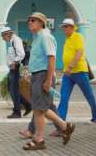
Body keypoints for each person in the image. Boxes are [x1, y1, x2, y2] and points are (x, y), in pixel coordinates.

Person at [23, 12, 75, 151]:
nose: (29, 22)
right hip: (37, 75)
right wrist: (30, 73)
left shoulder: (46, 37)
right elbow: (38, 59)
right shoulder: (37, 37)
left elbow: (52, 59)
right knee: (41, 108)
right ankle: (65, 126)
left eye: (32, 20)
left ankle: (39, 139)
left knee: (39, 110)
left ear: (41, 22)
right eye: (29, 20)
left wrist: (47, 80)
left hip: (43, 75)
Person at [57, 18, 96, 123]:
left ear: (72, 28)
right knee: (63, 96)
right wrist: (67, 69)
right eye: (63, 27)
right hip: (68, 74)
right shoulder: (67, 39)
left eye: (66, 27)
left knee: (88, 94)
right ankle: (60, 119)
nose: (64, 29)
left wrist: (70, 66)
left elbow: (79, 53)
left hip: (79, 71)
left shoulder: (78, 37)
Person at [1, 27, 32, 118]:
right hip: (13, 68)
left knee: (14, 90)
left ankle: (17, 112)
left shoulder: (16, 40)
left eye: (3, 36)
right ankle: (27, 105)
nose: (2, 38)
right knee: (11, 89)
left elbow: (21, 54)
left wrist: (15, 62)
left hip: (16, 68)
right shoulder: (12, 41)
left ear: (8, 34)